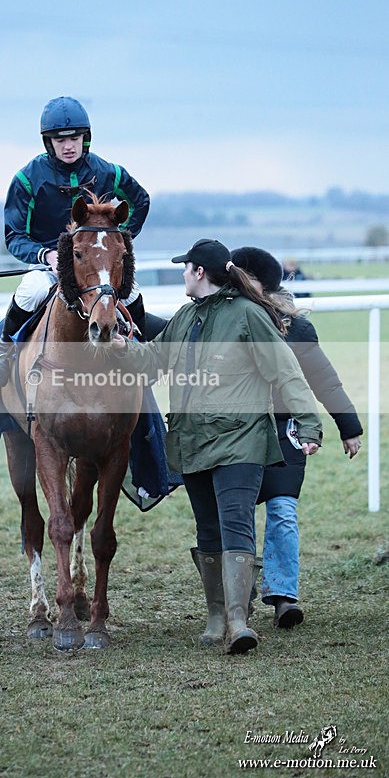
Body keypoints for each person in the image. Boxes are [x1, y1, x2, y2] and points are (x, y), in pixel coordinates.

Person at [112, 239, 322, 654]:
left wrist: (309, 423)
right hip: (192, 442)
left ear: (199, 273)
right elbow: (154, 362)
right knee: (208, 529)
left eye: (184, 268)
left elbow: (287, 372)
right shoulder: (186, 316)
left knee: (236, 523)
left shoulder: (248, 315)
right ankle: (215, 615)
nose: (182, 275)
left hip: (241, 441)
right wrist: (118, 348)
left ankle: (239, 621)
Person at [231, 247, 363, 627]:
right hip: (236, 434)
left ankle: (283, 595)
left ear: (259, 284)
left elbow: (324, 379)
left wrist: (348, 426)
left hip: (285, 434)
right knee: (236, 517)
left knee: (283, 511)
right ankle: (238, 599)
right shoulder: (224, 320)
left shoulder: (297, 329)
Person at [0, 95, 154, 386]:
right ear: (48, 142)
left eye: (74, 138)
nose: (67, 146)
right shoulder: (27, 179)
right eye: (59, 140)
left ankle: (145, 352)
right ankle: (3, 352)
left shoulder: (107, 172)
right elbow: (14, 236)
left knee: (131, 293)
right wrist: (46, 256)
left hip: (95, 266)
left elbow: (140, 200)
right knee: (30, 291)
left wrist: (116, 246)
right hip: (49, 267)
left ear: (85, 138)